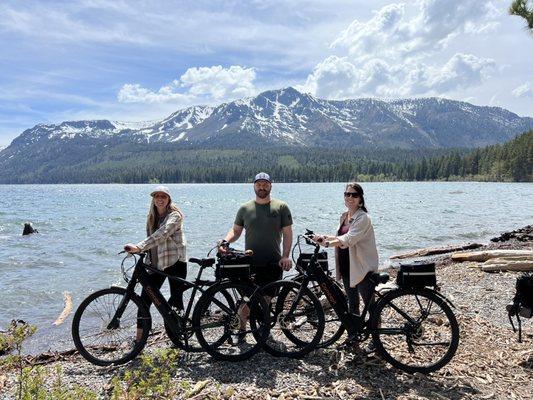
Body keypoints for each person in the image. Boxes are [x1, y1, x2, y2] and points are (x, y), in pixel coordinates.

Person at [220, 172, 293, 342]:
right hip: (250, 263)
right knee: (246, 300)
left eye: (265, 184)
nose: (262, 187)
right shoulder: (245, 208)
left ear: (270, 186)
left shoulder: (281, 207)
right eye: (259, 184)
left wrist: (286, 256)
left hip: (273, 262)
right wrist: (225, 241)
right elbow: (236, 231)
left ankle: (263, 329)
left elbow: (288, 233)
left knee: (266, 299)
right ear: (254, 186)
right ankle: (242, 330)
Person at [313, 182, 379, 346]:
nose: (350, 197)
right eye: (347, 194)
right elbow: (340, 237)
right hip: (347, 267)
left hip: (362, 267)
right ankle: (353, 336)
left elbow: (348, 240)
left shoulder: (363, 218)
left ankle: (377, 340)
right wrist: (321, 237)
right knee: (352, 304)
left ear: (360, 199)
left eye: (354, 195)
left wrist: (327, 244)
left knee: (370, 306)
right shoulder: (344, 216)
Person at [124, 185, 187, 342]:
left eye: (163, 196)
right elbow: (152, 241)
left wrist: (139, 246)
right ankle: (138, 342)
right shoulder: (151, 217)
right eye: (157, 196)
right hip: (157, 264)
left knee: (176, 301)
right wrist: (142, 253)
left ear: (168, 199)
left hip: (175, 262)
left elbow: (163, 233)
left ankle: (180, 338)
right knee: (144, 301)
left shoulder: (175, 215)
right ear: (153, 199)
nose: (160, 199)